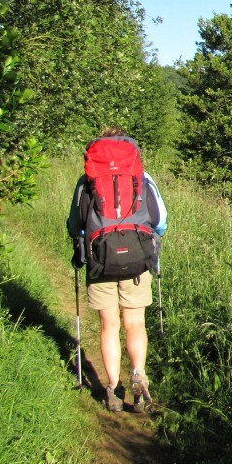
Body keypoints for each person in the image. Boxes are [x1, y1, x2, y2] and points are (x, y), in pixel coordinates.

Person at [67, 126, 168, 412]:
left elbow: (76, 224)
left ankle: (112, 389)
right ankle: (138, 377)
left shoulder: (87, 180)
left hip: (101, 259)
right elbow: (160, 220)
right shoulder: (142, 177)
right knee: (135, 323)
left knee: (109, 325)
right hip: (137, 259)